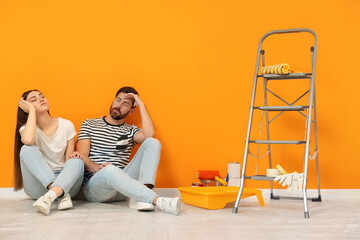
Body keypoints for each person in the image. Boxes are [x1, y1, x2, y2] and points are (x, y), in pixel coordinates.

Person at [77, 86, 180, 215]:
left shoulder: (131, 130)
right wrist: (98, 168)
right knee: (110, 170)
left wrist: (141, 104)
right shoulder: (90, 124)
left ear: (131, 110)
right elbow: (81, 156)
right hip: (97, 188)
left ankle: (142, 195)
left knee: (153, 142)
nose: (118, 105)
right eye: (118, 100)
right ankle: (157, 200)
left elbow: (150, 135)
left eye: (125, 104)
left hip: (123, 190)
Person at [14, 90, 84, 215]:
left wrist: (74, 158)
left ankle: (50, 196)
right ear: (26, 108)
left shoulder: (67, 125)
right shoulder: (26, 129)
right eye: (33, 100)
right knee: (26, 148)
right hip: (38, 186)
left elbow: (69, 161)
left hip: (66, 183)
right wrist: (31, 110)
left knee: (77, 160)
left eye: (42, 96)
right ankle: (58, 192)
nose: (41, 99)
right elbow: (28, 140)